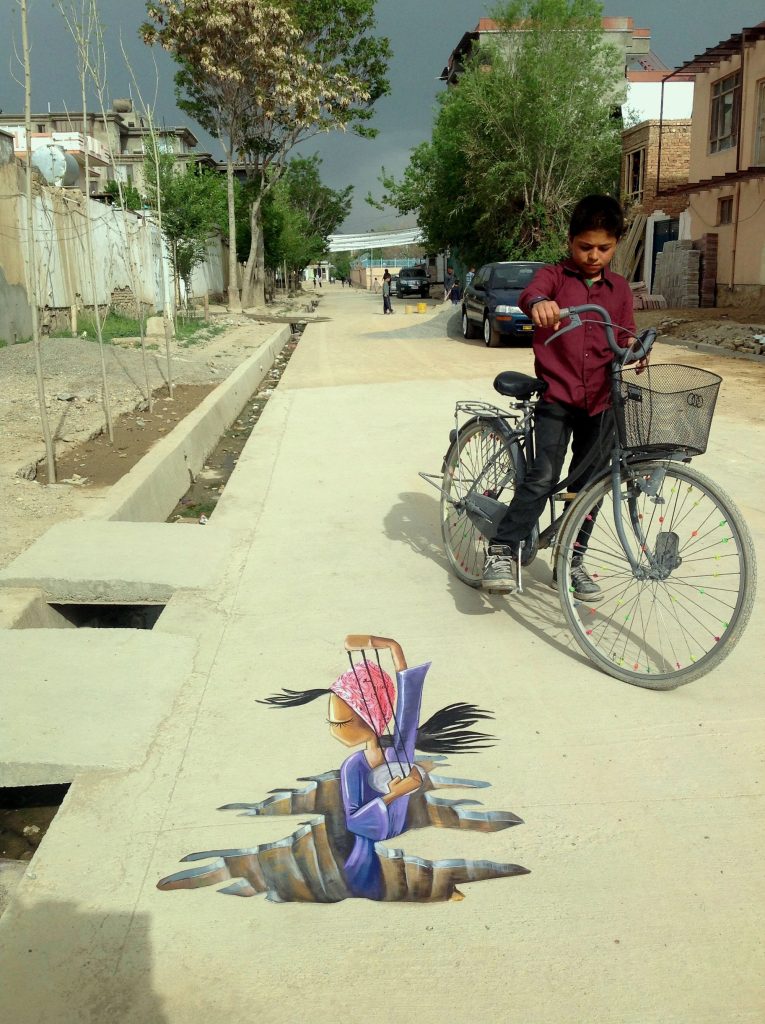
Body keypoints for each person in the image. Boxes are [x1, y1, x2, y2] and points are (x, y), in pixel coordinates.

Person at [482, 194, 639, 600]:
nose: (594, 255)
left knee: (590, 486)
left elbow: (625, 334)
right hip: (557, 395)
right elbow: (530, 295)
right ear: (571, 241)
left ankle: (572, 560)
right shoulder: (553, 277)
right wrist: (540, 305)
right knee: (543, 478)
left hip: (602, 401)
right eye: (585, 246)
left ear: (616, 244)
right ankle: (502, 548)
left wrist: (638, 351)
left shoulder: (619, 289)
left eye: (604, 248)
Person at [260, 636, 493, 900]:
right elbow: (354, 821)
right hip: (371, 837)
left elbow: (408, 708)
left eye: (340, 723)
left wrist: (393, 647)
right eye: (332, 723)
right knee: (364, 874)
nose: (335, 731)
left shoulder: (398, 751)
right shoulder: (353, 766)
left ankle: (425, 884)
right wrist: (393, 794)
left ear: (371, 717)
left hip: (398, 826)